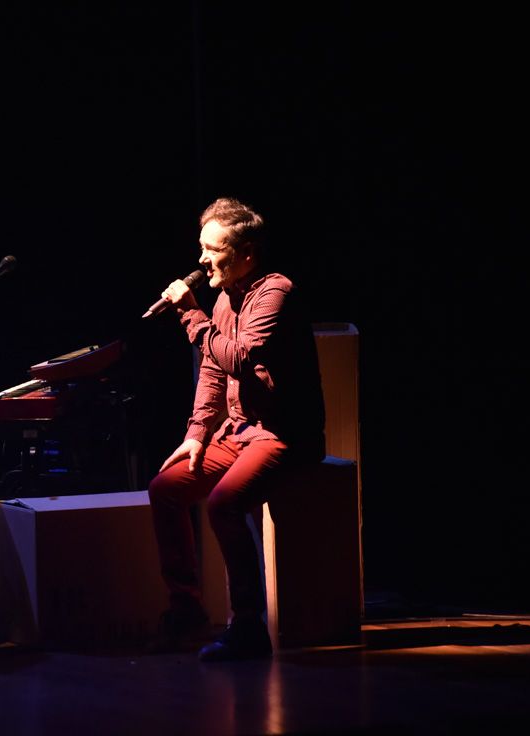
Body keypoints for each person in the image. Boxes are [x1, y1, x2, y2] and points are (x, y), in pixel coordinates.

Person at [146, 197, 325, 661]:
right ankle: (185, 607)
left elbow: (242, 359)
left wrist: (190, 313)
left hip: (282, 434)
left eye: (213, 249)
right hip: (238, 433)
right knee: (166, 488)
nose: (202, 260)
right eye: (201, 248)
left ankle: (247, 625)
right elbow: (211, 370)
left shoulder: (275, 292)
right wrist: (195, 434)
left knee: (225, 504)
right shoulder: (225, 298)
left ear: (246, 253)